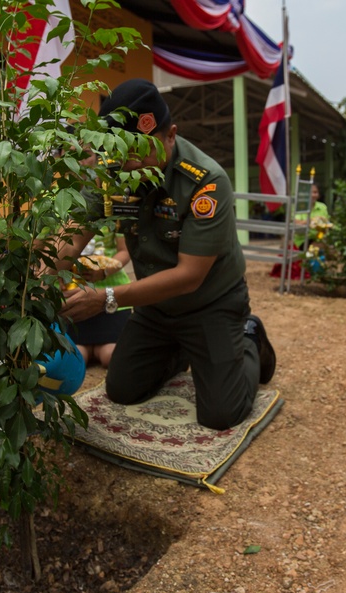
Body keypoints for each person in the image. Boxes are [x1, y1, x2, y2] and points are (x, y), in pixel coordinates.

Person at [59, 79, 276, 431]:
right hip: (157, 307)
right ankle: (180, 350)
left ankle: (249, 338)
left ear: (171, 135)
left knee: (222, 413)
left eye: (143, 150)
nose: (133, 163)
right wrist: (37, 281)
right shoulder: (112, 172)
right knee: (122, 389)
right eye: (125, 150)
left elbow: (189, 275)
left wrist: (106, 298)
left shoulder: (206, 182)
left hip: (211, 302)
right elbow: (71, 236)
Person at [69, 230, 132, 368]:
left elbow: (125, 251)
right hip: (72, 296)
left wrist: (104, 271)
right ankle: (89, 349)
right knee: (75, 358)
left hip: (113, 297)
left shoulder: (114, 210)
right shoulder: (54, 211)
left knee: (110, 355)